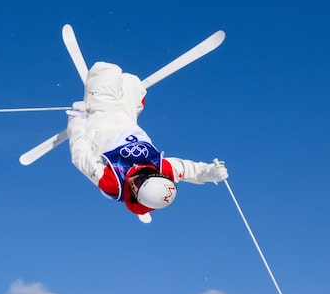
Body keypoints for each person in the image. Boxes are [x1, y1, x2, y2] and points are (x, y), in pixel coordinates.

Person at [66, 61, 228, 223]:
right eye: (142, 179)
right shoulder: (160, 168)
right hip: (127, 119)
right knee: (132, 83)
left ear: (135, 194)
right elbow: (188, 170)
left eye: (136, 186)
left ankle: (97, 89)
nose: (135, 181)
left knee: (106, 71)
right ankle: (126, 96)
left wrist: (77, 121)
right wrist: (210, 173)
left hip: (101, 122)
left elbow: (81, 157)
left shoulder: (114, 182)